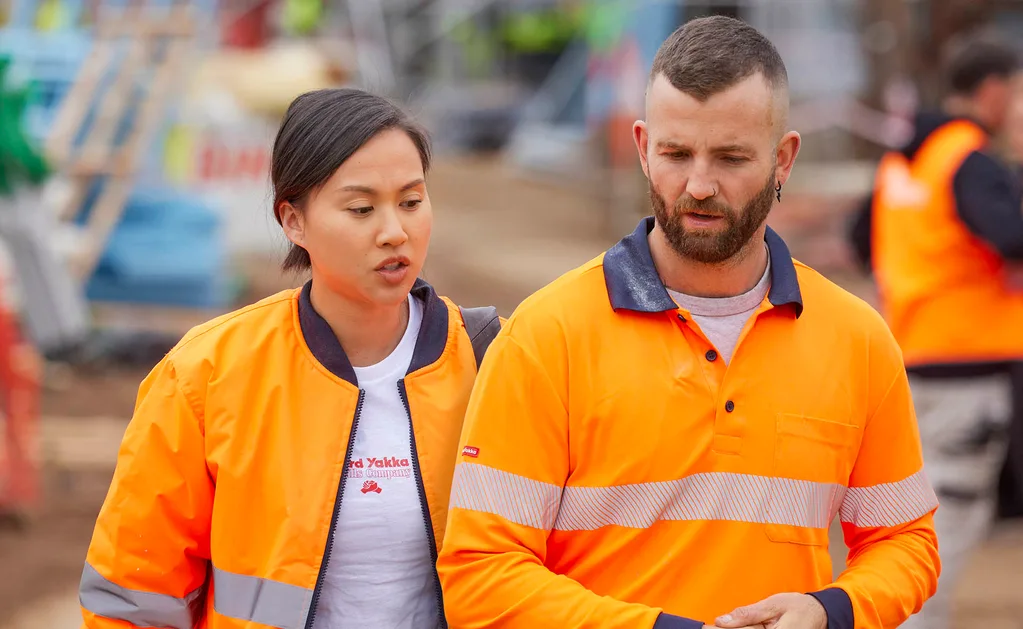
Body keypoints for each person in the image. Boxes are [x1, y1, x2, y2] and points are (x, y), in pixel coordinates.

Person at [437, 15, 939, 629]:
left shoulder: (857, 339)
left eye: (731, 157)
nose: (699, 185)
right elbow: (479, 573)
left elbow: (906, 541)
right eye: (677, 154)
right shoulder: (547, 336)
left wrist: (829, 610)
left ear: (784, 159)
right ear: (644, 148)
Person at [78, 88, 501, 629]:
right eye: (361, 208)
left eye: (412, 201)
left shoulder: (493, 360)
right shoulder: (207, 376)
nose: (394, 231)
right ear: (293, 221)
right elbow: (131, 599)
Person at [847, 38, 1023, 629]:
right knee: (944, 529)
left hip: (913, 357)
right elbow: (1011, 235)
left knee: (906, 519)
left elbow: (859, 234)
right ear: (995, 92)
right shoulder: (970, 159)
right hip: (970, 367)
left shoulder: (902, 161)